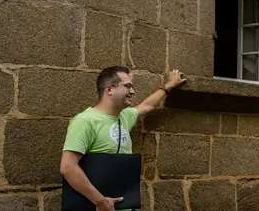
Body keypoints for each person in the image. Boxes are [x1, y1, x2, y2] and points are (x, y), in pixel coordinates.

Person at [60, 66, 187, 211]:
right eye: (127, 86)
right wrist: (100, 201)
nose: (132, 92)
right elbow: (68, 167)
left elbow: (147, 105)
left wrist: (168, 85)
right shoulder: (85, 121)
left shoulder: (125, 116)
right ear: (109, 89)